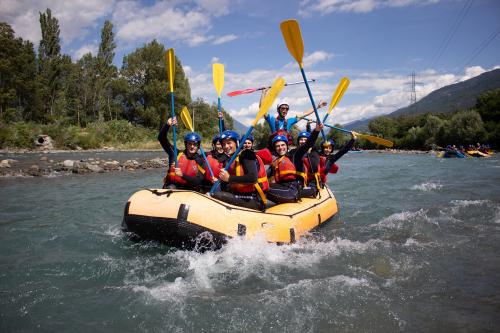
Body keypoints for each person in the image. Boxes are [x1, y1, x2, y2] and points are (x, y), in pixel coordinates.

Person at [265, 123, 323, 204]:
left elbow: (307, 144)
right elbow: (265, 175)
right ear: (275, 149)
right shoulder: (276, 161)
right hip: (283, 188)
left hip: (294, 189)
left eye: (283, 145)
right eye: (278, 146)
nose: (281, 148)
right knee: (260, 185)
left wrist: (316, 130)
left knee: (262, 187)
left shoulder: (295, 155)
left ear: (287, 146)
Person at [211, 130, 269, 211]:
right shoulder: (232, 159)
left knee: (215, 195)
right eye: (224, 144)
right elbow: (234, 181)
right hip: (242, 194)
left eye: (229, 143)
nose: (226, 146)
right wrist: (221, 181)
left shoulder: (246, 154)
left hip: (255, 198)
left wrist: (229, 178)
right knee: (216, 188)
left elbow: (253, 177)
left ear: (237, 143)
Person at [158, 117, 205, 190]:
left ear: (198, 146)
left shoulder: (200, 160)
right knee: (171, 187)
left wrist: (182, 175)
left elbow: (198, 181)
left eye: (194, 144)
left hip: (190, 190)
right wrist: (167, 125)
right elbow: (161, 139)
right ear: (186, 144)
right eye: (189, 144)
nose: (192, 147)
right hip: (173, 187)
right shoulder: (175, 153)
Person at [260, 88, 326, 133]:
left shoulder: (290, 121)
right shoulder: (272, 120)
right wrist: (263, 93)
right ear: (278, 110)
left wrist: (317, 107)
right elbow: (262, 109)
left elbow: (305, 114)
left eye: (287, 109)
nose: (285, 110)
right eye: (283, 108)